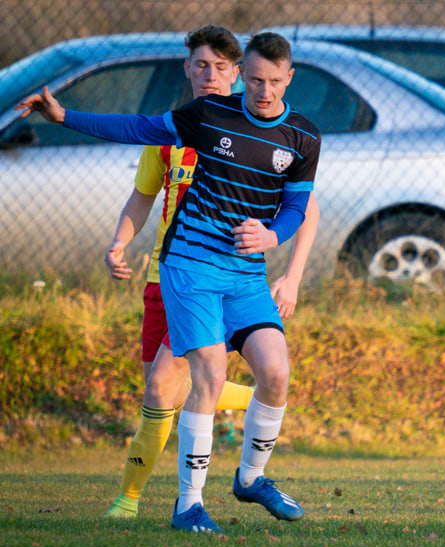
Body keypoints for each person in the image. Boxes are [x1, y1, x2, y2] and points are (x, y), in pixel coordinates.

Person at [18, 31, 322, 534]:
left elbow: (297, 206)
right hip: (190, 266)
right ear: (243, 75)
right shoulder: (208, 117)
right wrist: (64, 116)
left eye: (273, 81)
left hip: (246, 276)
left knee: (276, 372)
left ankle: (250, 479)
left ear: (289, 78)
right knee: (204, 374)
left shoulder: (305, 137)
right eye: (254, 80)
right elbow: (136, 127)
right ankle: (188, 506)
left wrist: (272, 235)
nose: (263, 91)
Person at [101, 25, 320, 520]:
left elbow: (304, 208)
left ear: (237, 72)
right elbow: (142, 195)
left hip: (226, 277)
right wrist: (119, 242)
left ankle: (137, 501)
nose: (210, 76)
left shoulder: (257, 130)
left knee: (183, 385)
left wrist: (292, 274)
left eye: (221, 67)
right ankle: (153, 498)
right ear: (188, 69)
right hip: (169, 279)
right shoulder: (174, 132)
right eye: (201, 65)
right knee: (160, 392)